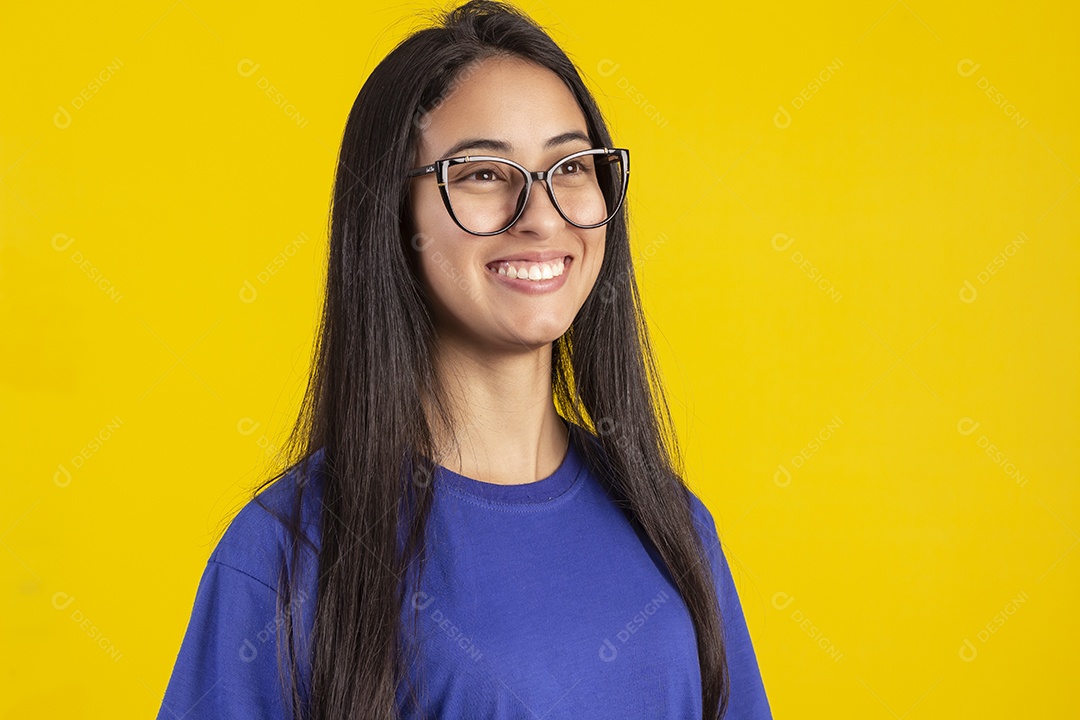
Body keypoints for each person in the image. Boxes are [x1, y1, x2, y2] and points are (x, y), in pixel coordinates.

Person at [156, 1, 772, 718]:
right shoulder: (285, 555)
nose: (542, 216)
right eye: (483, 174)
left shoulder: (672, 524)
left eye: (570, 166)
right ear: (392, 215)